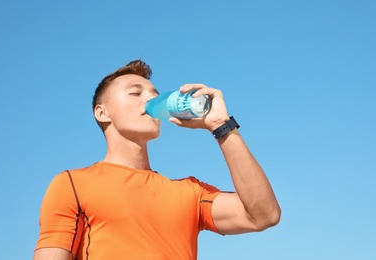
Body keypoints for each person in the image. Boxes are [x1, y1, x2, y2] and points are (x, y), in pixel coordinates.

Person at [33, 59, 281, 260]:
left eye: (154, 94)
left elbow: (263, 215)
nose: (150, 100)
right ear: (102, 112)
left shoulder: (191, 192)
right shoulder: (72, 184)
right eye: (135, 93)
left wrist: (222, 126)